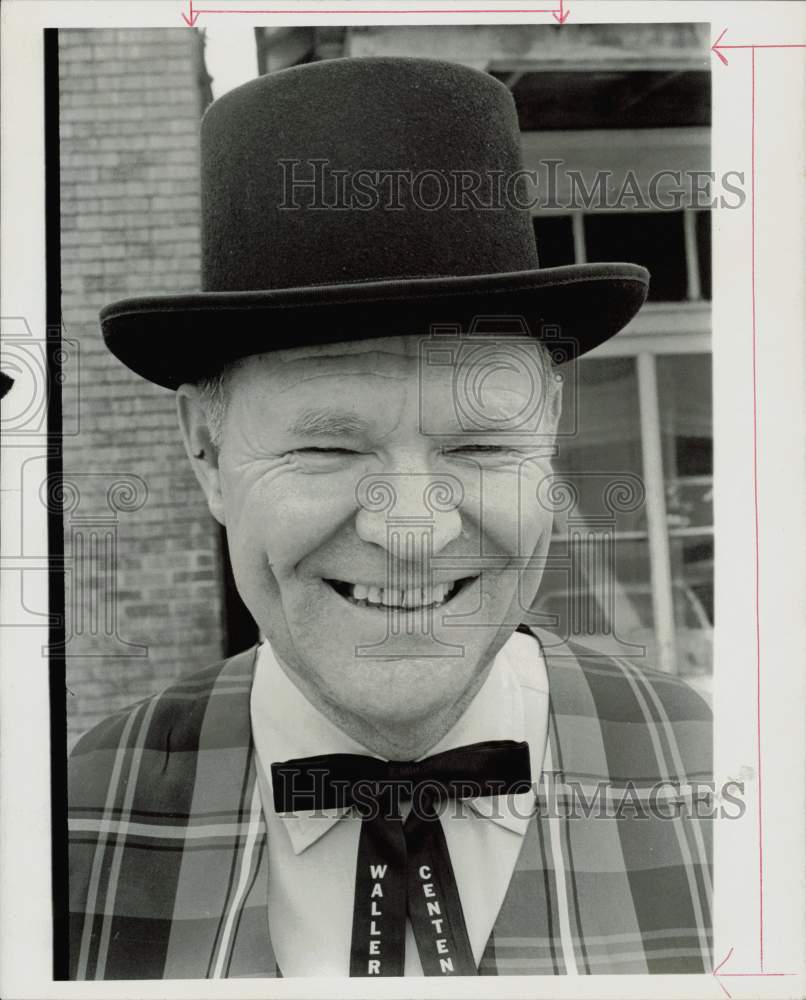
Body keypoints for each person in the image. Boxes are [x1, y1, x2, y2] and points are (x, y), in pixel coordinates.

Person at [68, 56, 712, 980]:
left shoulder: (724, 783)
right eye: (328, 449)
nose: (413, 528)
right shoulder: (73, 823)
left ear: (551, 434)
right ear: (206, 454)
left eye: (481, 447)